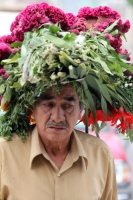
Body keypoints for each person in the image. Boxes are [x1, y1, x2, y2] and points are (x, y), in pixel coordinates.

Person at [0, 2, 133, 200]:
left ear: (81, 109)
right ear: (32, 108)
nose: (58, 116)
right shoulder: (5, 154)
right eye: (48, 104)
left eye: (68, 105)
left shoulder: (100, 154)